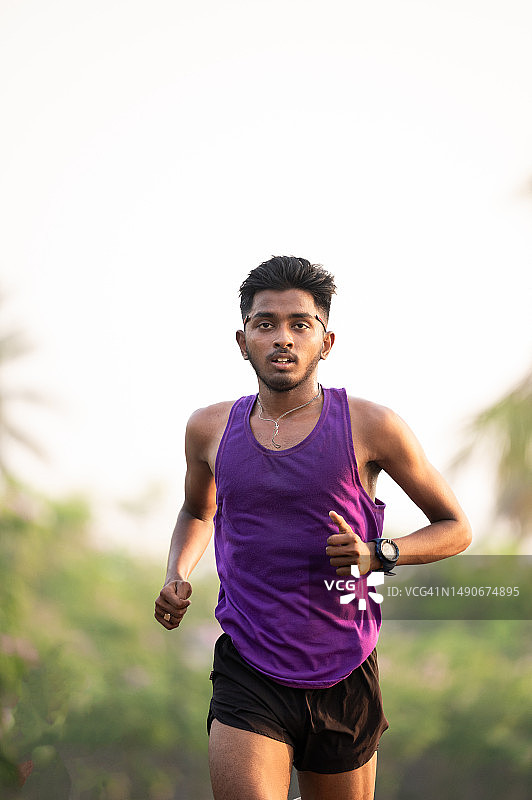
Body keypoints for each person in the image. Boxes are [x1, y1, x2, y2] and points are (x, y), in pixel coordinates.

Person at [154, 256, 472, 800]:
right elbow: (197, 511)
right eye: (266, 323)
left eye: (300, 324)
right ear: (242, 339)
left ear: (325, 342)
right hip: (248, 664)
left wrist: (379, 553)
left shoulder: (371, 425)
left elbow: (455, 527)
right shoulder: (208, 428)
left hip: (345, 666)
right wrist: (177, 571)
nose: (283, 338)